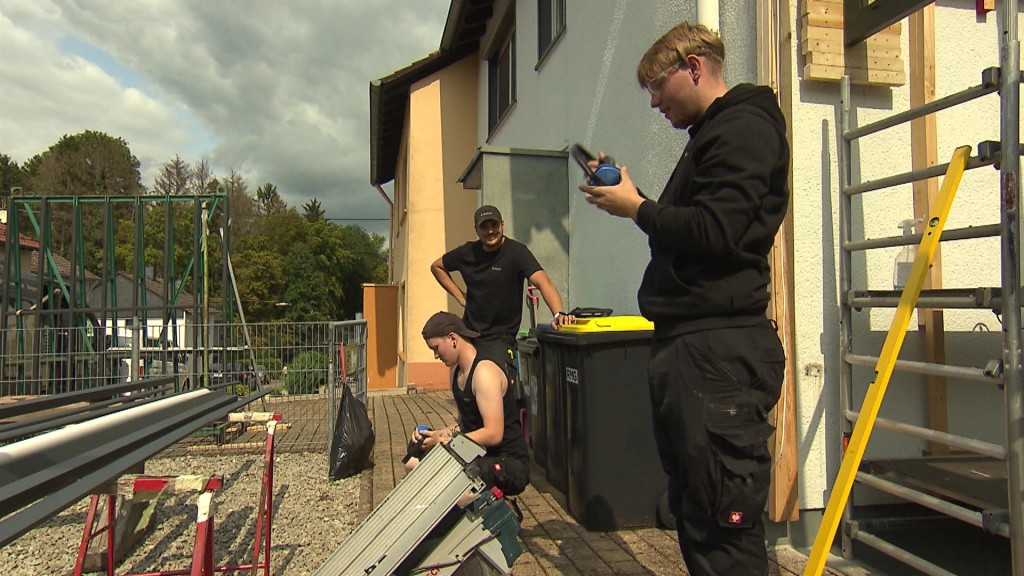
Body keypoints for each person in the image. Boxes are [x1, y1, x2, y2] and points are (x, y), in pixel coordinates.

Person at [579, 22, 788, 576]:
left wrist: (638, 209)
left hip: (715, 352)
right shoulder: (713, 138)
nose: (652, 103)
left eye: (656, 86)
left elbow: (716, 231)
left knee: (723, 528)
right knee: (699, 514)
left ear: (693, 67)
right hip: (695, 349)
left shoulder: (742, 128)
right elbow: (696, 232)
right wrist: (636, 198)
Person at [404, 311, 529, 502]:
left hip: (508, 462)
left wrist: (449, 441)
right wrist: (439, 434)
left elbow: (494, 434)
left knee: (455, 479)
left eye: (436, 348)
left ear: (453, 339)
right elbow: (467, 424)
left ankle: (484, 514)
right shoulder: (457, 372)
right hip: (479, 454)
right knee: (415, 454)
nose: (436, 355)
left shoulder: (484, 372)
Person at [431, 205, 574, 352]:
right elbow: (437, 267)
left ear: (502, 224)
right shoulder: (467, 252)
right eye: (484, 227)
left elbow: (544, 283)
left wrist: (559, 313)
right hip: (470, 335)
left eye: (494, 225)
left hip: (501, 339)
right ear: (476, 230)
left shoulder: (516, 253)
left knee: (488, 374)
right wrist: (460, 297)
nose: (490, 231)